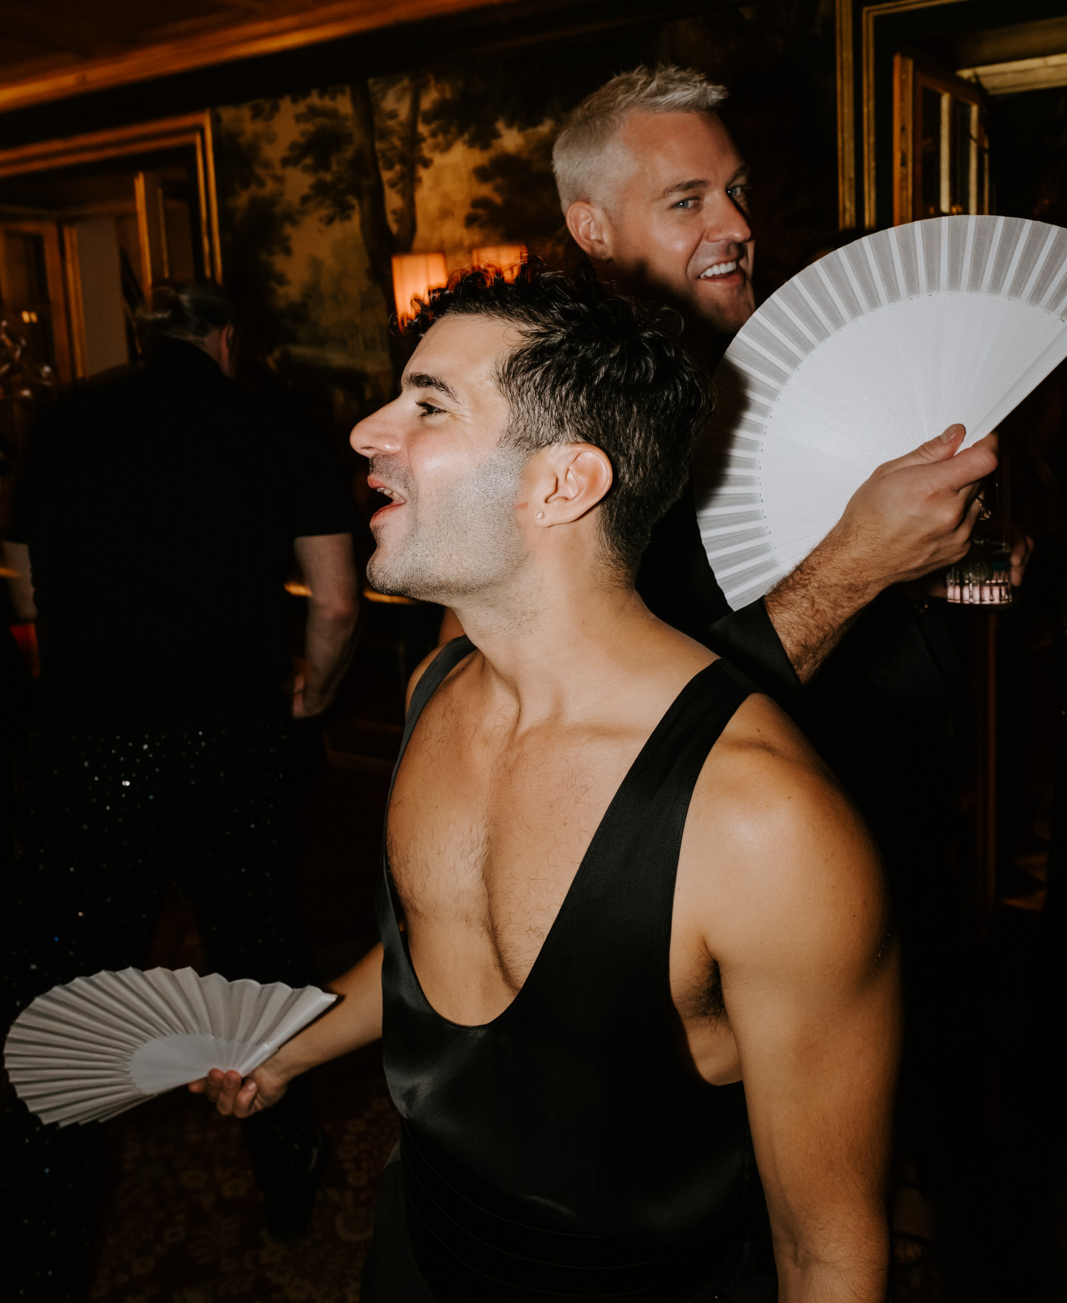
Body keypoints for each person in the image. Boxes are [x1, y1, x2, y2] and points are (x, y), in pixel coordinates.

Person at [196, 269, 900, 1302]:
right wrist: (288, 1050)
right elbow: (434, 962)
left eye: (427, 404)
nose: (364, 431)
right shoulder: (436, 682)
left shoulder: (761, 826)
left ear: (561, 484)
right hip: (413, 1254)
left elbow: (828, 1252)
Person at [1, 281, 360, 1300]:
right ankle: (287, 1178)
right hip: (231, 743)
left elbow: (24, 591)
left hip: (88, 746)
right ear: (228, 335)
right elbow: (335, 601)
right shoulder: (275, 420)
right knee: (256, 956)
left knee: (63, 996)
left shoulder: (59, 418)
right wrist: (311, 694)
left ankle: (38, 1252)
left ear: (147, 332)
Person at [552, 64, 1016, 696]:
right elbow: (616, 717)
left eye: (737, 191)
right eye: (687, 201)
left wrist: (965, 565)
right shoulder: (556, 423)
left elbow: (897, 571)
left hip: (914, 773)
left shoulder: (793, 359)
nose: (740, 228)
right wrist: (862, 564)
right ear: (593, 231)